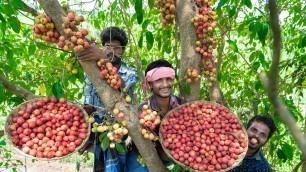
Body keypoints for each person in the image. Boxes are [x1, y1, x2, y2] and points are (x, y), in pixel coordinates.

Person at [77, 27, 138, 172]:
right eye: (108, 47)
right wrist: (84, 125)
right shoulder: (92, 70)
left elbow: (120, 85)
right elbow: (88, 99)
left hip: (118, 124)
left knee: (114, 156)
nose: (111, 51)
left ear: (122, 51)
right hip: (97, 124)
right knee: (103, 161)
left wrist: (102, 58)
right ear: (102, 47)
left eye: (116, 48)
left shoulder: (130, 72)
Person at [125, 59, 182, 172]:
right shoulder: (145, 109)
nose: (165, 84)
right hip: (140, 157)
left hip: (169, 155)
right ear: (150, 83)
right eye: (159, 80)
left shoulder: (179, 103)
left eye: (169, 79)